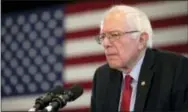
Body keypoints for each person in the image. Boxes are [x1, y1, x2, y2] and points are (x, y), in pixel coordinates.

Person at [90, 5, 188, 112]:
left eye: (114, 35)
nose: (105, 43)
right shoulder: (102, 76)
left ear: (141, 40)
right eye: (103, 37)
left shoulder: (176, 70)